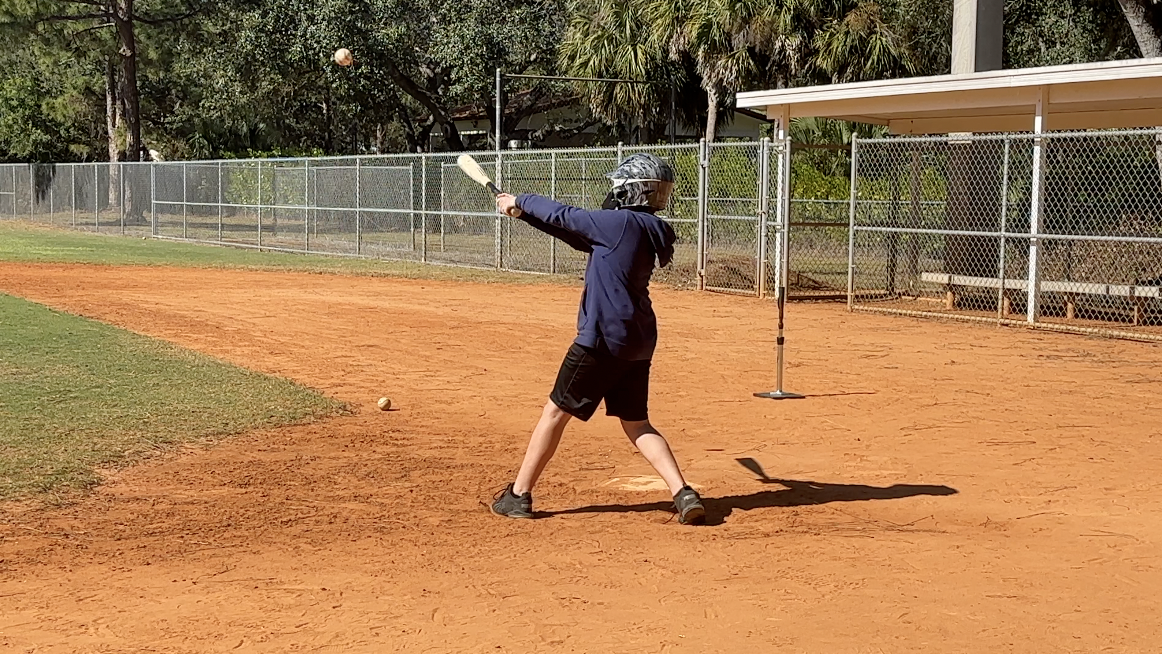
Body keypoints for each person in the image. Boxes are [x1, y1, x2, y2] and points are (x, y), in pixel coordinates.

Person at [490, 152, 705, 525]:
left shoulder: (618, 223)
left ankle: (519, 495)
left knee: (555, 412)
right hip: (636, 340)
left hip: (602, 339)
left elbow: (565, 214)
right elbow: (576, 236)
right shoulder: (646, 229)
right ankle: (683, 493)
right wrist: (524, 216)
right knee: (637, 423)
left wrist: (519, 199)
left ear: (629, 191)